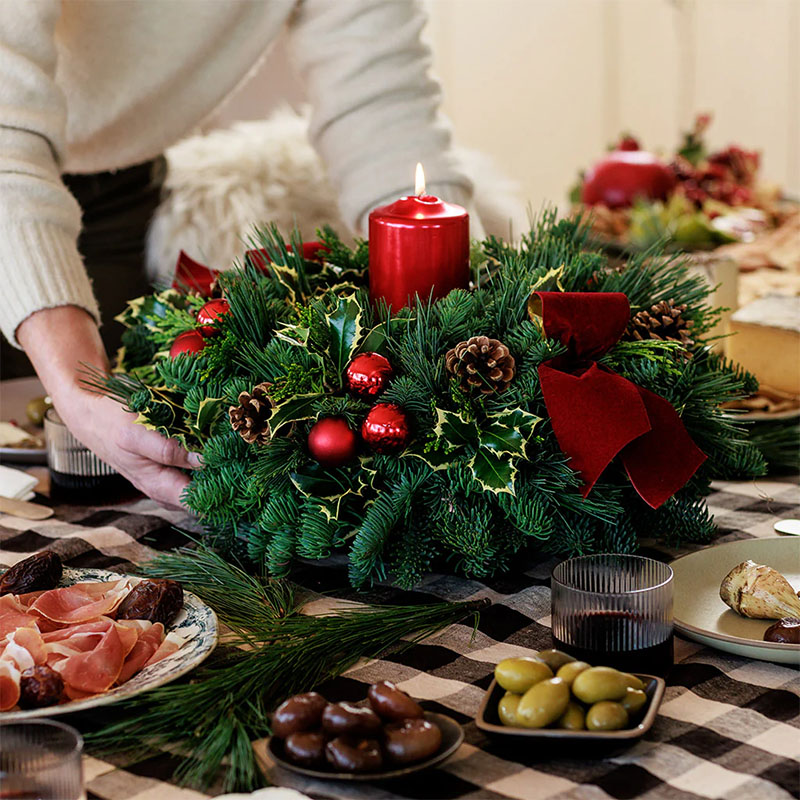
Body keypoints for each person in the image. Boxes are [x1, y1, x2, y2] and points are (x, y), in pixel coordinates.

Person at [0, 0, 476, 509]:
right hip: (14, 177)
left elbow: (382, 103)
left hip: (120, 182)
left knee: (107, 478)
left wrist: (470, 307)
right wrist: (77, 382)